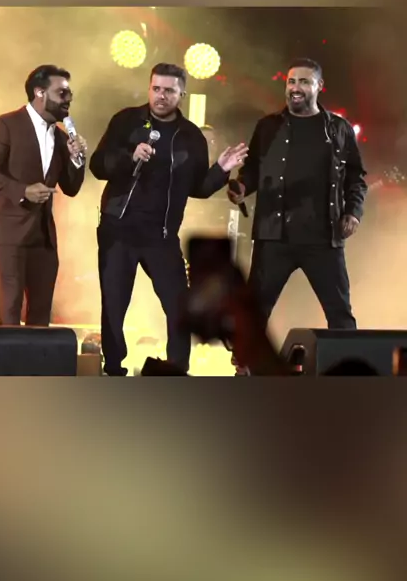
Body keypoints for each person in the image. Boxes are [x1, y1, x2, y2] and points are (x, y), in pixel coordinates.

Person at [89, 63, 248, 375]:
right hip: (118, 229)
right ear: (149, 88)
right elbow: (97, 166)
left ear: (182, 94)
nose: (161, 96)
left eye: (169, 91)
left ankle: (177, 369)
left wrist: (220, 170)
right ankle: (114, 368)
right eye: (156, 89)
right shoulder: (126, 121)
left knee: (178, 305)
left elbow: (198, 188)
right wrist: (129, 157)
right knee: (114, 304)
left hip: (161, 236)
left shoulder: (190, 137)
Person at [228, 58, 368, 333]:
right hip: (274, 237)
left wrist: (353, 212)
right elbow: (253, 169)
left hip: (323, 239)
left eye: (304, 82)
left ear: (319, 86)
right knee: (254, 313)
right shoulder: (268, 127)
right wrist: (242, 187)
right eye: (291, 81)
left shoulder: (338, 129)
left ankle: (347, 360)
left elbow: (356, 178)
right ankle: (245, 360)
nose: (295, 88)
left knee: (340, 313)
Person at [0, 64, 87, 326]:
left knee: (41, 311)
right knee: (11, 307)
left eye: (70, 93)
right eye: (62, 93)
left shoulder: (62, 138)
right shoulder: (5, 124)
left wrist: (77, 159)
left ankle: (37, 355)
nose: (68, 99)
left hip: (43, 236)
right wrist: (23, 191)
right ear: (40, 92)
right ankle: (8, 354)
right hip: (9, 230)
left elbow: (71, 188)